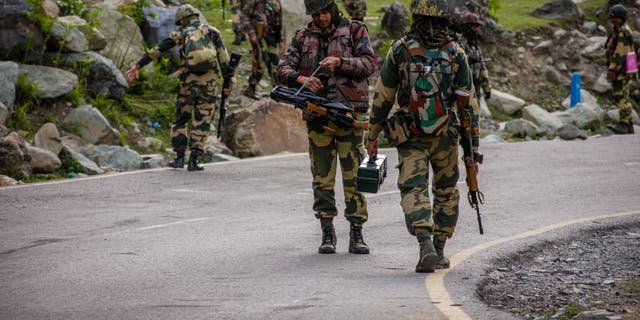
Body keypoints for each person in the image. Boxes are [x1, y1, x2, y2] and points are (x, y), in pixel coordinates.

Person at [366, 0, 475, 273]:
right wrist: (472, 144)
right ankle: (438, 249)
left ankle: (424, 242)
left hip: (410, 132)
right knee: (446, 190)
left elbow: (383, 96)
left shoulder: (400, 49)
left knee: (413, 188)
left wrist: (373, 134)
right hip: (446, 134)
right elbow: (467, 103)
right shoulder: (455, 52)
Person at [277, 0, 376, 254]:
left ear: (332, 8)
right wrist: (302, 79)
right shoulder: (302, 36)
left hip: (350, 117)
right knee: (322, 177)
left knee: (354, 176)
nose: (321, 18)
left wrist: (340, 62)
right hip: (318, 117)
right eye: (316, 14)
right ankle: (327, 232)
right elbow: (283, 68)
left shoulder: (355, 30)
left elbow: (369, 65)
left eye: (324, 12)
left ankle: (357, 232)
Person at [126, 4, 233, 171]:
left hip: (187, 84)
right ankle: (193, 161)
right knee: (202, 120)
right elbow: (224, 62)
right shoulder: (213, 32)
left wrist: (137, 65)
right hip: (209, 85)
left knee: (181, 119)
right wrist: (227, 85)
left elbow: (157, 50)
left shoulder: (181, 34)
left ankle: (179, 158)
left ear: (183, 19)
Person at [240, 0, 285, 99]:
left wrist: (280, 40)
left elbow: (279, 20)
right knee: (261, 61)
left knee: (275, 63)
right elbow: (244, 16)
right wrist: (251, 33)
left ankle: (278, 90)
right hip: (259, 36)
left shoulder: (276, 2)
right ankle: (251, 87)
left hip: (272, 37)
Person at [605, 4, 636, 134]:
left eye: (614, 17)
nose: (612, 19)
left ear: (620, 18)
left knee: (620, 95)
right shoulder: (619, 29)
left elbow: (620, 52)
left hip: (621, 69)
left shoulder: (622, 31)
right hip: (625, 68)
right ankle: (629, 124)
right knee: (624, 94)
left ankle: (624, 124)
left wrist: (613, 69)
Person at [458, 12, 491, 101]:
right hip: (460, 89)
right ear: (466, 26)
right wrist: (467, 59)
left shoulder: (475, 45)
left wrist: (487, 88)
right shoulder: (456, 43)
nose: (476, 29)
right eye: (474, 26)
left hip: (475, 88)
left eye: (477, 26)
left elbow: (482, 67)